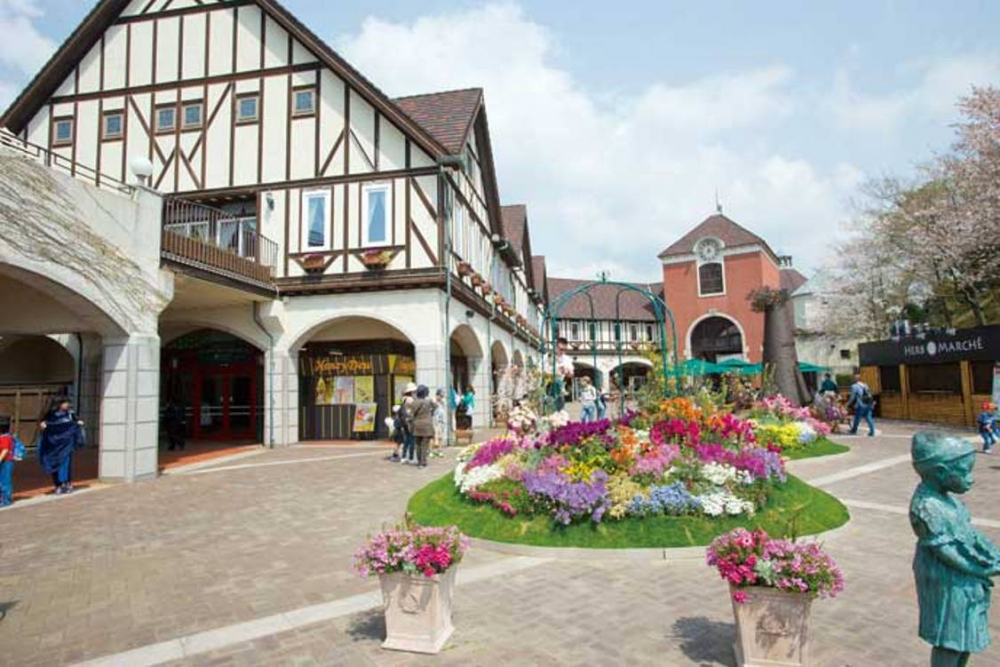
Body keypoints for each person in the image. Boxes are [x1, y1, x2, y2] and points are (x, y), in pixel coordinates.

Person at [909, 432, 1000, 666]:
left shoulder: (951, 501)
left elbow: (968, 533)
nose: (971, 479)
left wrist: (991, 554)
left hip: (962, 579)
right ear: (940, 472)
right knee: (950, 636)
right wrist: (979, 570)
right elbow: (945, 552)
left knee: (965, 636)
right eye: (964, 472)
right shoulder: (926, 507)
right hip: (945, 580)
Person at [38, 397, 85, 495]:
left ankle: (67, 483)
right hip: (53, 445)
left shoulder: (71, 413)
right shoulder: (51, 414)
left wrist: (78, 423)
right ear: (59, 404)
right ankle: (58, 485)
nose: (67, 405)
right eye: (65, 403)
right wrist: (43, 426)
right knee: (54, 463)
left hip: (66, 444)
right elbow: (42, 423)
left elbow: (78, 421)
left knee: (66, 464)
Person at [410, 385, 436, 468]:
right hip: (427, 425)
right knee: (424, 444)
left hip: (417, 424)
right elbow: (436, 406)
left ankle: (419, 461)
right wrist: (431, 413)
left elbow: (411, 415)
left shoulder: (414, 402)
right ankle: (423, 462)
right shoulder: (428, 402)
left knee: (417, 444)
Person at [399, 383, 417, 464]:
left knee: (407, 440)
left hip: (405, 422)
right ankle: (410, 457)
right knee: (412, 440)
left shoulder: (404, 398)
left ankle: (403, 456)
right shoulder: (410, 399)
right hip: (409, 421)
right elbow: (415, 407)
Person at [0, 417, 15, 507]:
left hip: (6, 461)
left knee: (5, 480)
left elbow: (5, 450)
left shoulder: (6, 438)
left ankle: (6, 499)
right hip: (4, 461)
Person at [431, 389, 447, 458]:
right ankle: (432, 451)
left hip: (441, 421)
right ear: (437, 395)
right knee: (433, 437)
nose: (441, 397)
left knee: (440, 436)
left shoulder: (442, 402)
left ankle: (439, 451)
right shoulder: (433, 401)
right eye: (440, 396)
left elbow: (443, 411)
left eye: (442, 396)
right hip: (434, 421)